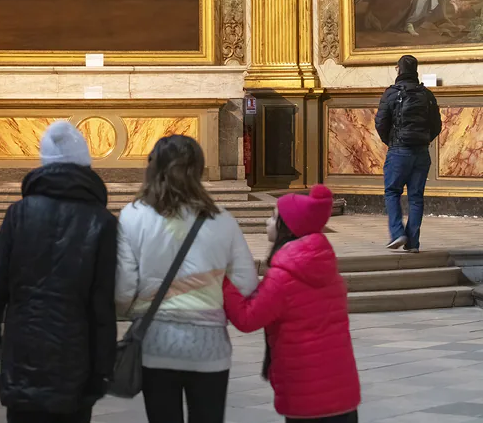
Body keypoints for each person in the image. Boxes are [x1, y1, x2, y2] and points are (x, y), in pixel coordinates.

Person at [0, 121, 117, 423]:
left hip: (23, 351)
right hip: (77, 355)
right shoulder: (102, 221)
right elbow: (103, 304)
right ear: (85, 165)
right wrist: (103, 367)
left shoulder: (19, 213)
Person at [116, 134, 257, 423]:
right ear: (200, 169)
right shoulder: (222, 219)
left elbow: (123, 287)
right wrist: (209, 298)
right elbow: (246, 282)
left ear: (153, 167)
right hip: (209, 345)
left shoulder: (132, 216)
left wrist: (134, 310)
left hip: (156, 341)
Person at [223, 185, 360, 423]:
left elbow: (247, 319)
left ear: (288, 227)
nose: (268, 221)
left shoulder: (284, 277)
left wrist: (223, 281)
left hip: (307, 398)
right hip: (343, 395)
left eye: (274, 216)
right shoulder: (328, 270)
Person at [375, 54, 442, 252]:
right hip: (421, 152)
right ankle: (413, 243)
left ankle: (397, 234)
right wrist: (425, 139)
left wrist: (392, 142)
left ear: (398, 69)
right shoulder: (427, 95)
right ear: (416, 70)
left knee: (392, 192)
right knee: (416, 197)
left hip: (399, 150)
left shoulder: (391, 94)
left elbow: (381, 122)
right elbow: (437, 125)